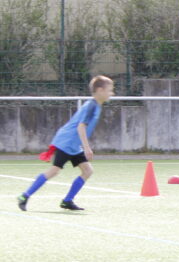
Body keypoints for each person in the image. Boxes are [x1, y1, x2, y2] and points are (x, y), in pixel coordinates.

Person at [18, 76, 115, 212]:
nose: (112, 93)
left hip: (74, 145)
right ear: (100, 90)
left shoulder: (97, 106)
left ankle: (67, 201)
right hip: (66, 142)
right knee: (54, 171)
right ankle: (24, 196)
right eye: (109, 90)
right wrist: (87, 148)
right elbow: (81, 127)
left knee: (87, 171)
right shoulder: (92, 106)